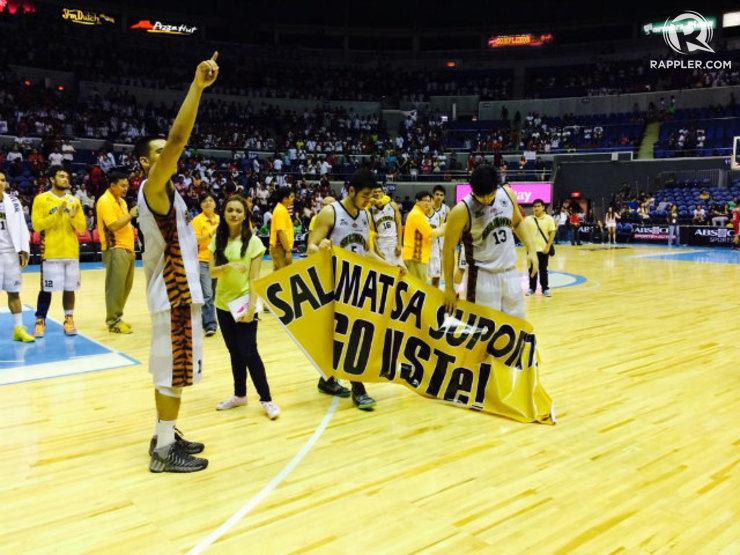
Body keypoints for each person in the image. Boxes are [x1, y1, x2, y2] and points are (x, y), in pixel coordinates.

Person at [135, 52, 219, 473]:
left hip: (179, 292)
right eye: (159, 150)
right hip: (174, 292)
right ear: (146, 162)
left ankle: (165, 433)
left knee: (176, 369)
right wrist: (196, 88)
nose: (168, 152)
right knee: (172, 372)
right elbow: (180, 137)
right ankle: (164, 451)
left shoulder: (168, 192)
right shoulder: (154, 186)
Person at [308, 169, 405, 410]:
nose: (368, 201)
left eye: (371, 196)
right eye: (364, 195)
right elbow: (310, 246)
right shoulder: (330, 213)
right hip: (332, 283)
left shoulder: (364, 215)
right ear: (351, 191)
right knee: (345, 335)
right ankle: (357, 388)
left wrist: (390, 267)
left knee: (352, 335)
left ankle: (328, 380)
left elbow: (367, 251)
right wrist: (321, 246)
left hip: (357, 284)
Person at [209, 195, 280, 419]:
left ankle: (267, 399)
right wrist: (228, 266)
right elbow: (211, 271)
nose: (234, 214)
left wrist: (251, 308)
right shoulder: (217, 239)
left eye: (238, 211)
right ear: (224, 212)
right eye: (230, 210)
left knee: (249, 352)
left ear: (245, 215)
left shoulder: (254, 243)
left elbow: (254, 279)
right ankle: (240, 395)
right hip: (222, 304)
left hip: (243, 303)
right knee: (234, 352)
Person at [442, 166, 538, 319]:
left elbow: (518, 222)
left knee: (517, 325)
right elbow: (448, 249)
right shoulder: (461, 210)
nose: (486, 200)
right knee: (482, 331)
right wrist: (449, 287)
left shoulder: (507, 194)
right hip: (482, 276)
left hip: (510, 272)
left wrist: (531, 250)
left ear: (497, 187)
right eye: (481, 196)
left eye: (490, 195)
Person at [31, 165, 86, 338]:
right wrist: (57, 213)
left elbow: (83, 229)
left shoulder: (74, 201)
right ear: (52, 179)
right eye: (61, 176)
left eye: (67, 176)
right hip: (51, 252)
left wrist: (71, 216)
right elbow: (37, 226)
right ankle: (40, 320)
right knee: (46, 289)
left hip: (70, 251)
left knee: (69, 289)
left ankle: (69, 318)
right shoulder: (41, 199)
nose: (65, 179)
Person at [96, 169, 137, 334]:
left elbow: (124, 224)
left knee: (125, 286)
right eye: (122, 185)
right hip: (115, 248)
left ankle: (118, 316)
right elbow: (112, 225)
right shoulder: (105, 201)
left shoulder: (122, 202)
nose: (126, 188)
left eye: (127, 185)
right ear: (112, 185)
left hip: (128, 247)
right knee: (115, 287)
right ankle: (113, 321)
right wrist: (131, 215)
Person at [0, 170, 34, 342]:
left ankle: (18, 328)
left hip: (10, 254)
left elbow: (22, 226)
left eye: (3, 180)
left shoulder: (13, 201)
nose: (1, 183)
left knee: (14, 292)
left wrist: (24, 249)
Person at [192, 193, 220, 336]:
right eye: (205, 201)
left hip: (218, 261)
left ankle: (206, 318)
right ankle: (210, 324)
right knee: (207, 294)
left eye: (211, 200)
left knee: (214, 293)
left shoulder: (220, 219)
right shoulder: (197, 221)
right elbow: (195, 241)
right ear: (201, 204)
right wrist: (211, 234)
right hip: (203, 260)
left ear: (215, 203)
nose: (208, 203)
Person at [402, 191, 445, 281]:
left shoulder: (418, 213)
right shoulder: (417, 214)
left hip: (419, 255)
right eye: (424, 200)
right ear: (417, 201)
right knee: (420, 286)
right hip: (415, 256)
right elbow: (430, 233)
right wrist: (446, 227)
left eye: (429, 201)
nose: (427, 203)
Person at [524, 200, 556, 297]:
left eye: (538, 206)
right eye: (534, 206)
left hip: (543, 249)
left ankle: (545, 289)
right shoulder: (528, 219)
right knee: (532, 270)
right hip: (531, 250)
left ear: (543, 207)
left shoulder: (549, 219)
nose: (536, 208)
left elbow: (552, 233)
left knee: (543, 269)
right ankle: (531, 288)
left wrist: (548, 246)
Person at [369, 185, 402, 265]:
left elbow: (398, 224)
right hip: (381, 243)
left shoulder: (392, 205)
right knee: (386, 271)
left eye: (379, 191)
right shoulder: (371, 210)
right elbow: (372, 232)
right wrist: (377, 249)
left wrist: (399, 244)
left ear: (384, 193)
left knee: (399, 270)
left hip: (393, 241)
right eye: (375, 192)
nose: (377, 194)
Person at [428, 185, 449, 288]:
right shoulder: (427, 207)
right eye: (437, 194)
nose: (439, 197)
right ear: (433, 195)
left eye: (441, 195)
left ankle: (436, 283)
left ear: (444, 197)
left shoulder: (446, 209)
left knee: (439, 263)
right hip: (429, 239)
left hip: (441, 239)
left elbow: (449, 226)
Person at [269, 187, 294, 270]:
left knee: (279, 276)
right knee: (283, 276)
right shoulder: (280, 211)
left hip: (281, 248)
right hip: (280, 248)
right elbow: (281, 232)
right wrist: (287, 251)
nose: (293, 199)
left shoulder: (282, 209)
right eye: (291, 197)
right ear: (285, 199)